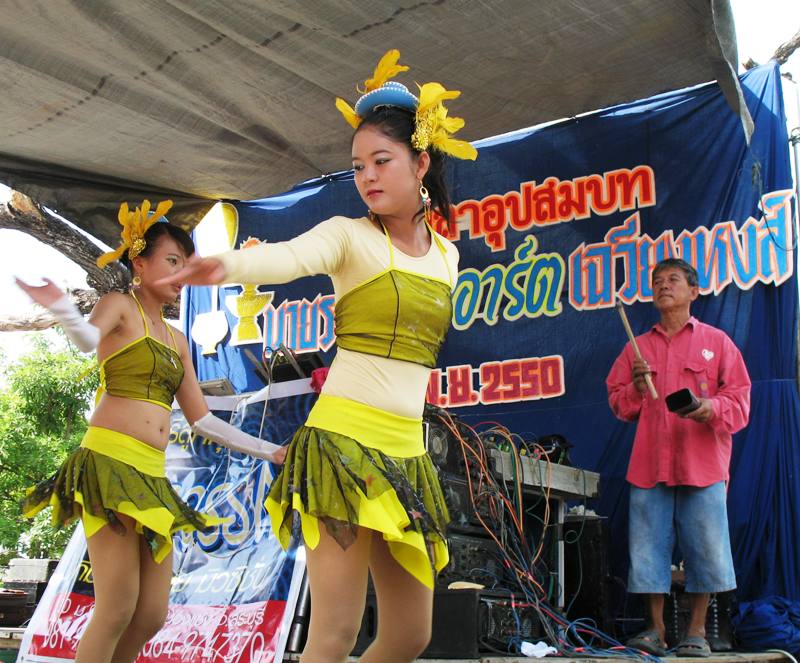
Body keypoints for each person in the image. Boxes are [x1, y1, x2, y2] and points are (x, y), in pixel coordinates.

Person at [158, 50, 477, 663]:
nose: (368, 176)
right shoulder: (348, 236)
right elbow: (285, 257)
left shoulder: (447, 256)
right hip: (340, 447)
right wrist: (220, 265)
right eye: (358, 166)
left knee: (412, 634)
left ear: (421, 163)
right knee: (333, 633)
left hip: (406, 453)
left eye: (381, 161)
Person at [17, 199, 286, 663]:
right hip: (109, 464)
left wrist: (271, 452)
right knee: (117, 606)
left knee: (152, 615)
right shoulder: (118, 306)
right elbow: (85, 340)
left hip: (152, 478)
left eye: (186, 265)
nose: (181, 274)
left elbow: (202, 419)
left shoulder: (177, 339)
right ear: (139, 264)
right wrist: (61, 305)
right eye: (172, 261)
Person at [606, 258, 751, 657]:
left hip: (702, 465)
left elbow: (740, 400)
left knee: (704, 549)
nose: (663, 286)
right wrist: (636, 387)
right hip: (650, 465)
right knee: (647, 550)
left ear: (694, 291)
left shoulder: (717, 342)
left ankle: (698, 632)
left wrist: (709, 408)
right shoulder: (638, 347)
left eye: (672, 280)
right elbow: (620, 404)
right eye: (657, 281)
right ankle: (654, 631)